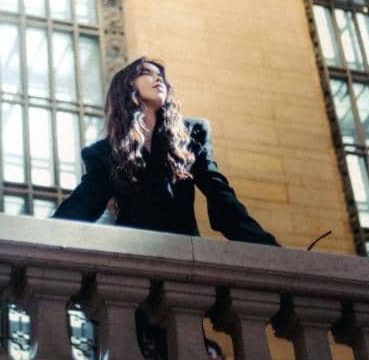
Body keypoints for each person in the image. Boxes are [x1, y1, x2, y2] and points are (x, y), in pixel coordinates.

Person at [54, 56, 279, 245]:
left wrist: (265, 246)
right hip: (133, 259)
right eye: (147, 73)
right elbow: (82, 206)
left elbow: (221, 197)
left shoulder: (192, 134)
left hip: (186, 257)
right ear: (128, 85)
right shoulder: (105, 153)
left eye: (160, 74)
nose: (159, 78)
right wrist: (43, 235)